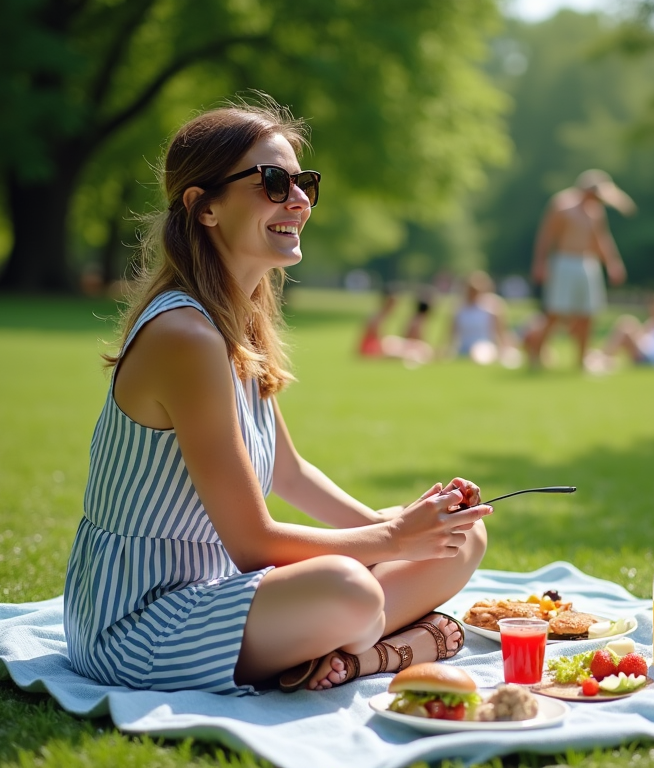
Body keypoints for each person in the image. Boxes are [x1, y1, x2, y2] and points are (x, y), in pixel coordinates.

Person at [63, 95, 492, 697]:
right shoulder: (184, 335)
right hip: (138, 622)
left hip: (219, 593)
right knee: (349, 589)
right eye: (272, 182)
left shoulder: (238, 322)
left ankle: (332, 649)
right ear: (203, 206)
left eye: (303, 183)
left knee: (461, 537)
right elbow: (252, 543)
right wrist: (393, 542)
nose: (299, 200)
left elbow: (288, 472)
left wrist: (406, 528)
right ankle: (376, 651)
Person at [528, 169, 636, 370]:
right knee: (554, 313)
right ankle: (536, 356)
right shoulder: (562, 204)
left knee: (588, 315)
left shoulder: (595, 210)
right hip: (564, 263)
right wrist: (540, 263)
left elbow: (601, 239)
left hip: (588, 264)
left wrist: (613, 263)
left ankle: (581, 360)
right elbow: (546, 236)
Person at [445, 271, 518, 366]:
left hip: (484, 345)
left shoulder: (492, 306)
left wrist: (504, 348)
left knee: (478, 353)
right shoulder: (459, 308)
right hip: (463, 347)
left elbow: (501, 332)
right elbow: (451, 334)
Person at [358, 285, 397, 357]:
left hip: (375, 346)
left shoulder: (382, 315)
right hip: (370, 348)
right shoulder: (377, 316)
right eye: (391, 302)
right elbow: (378, 338)